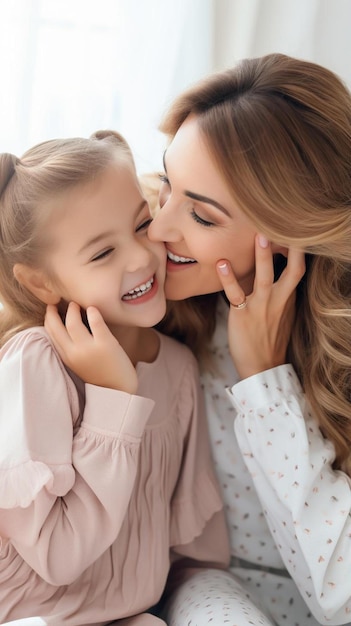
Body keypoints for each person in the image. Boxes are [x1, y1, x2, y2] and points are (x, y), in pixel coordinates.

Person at [146, 52, 351, 626]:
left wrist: (265, 381)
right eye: (166, 181)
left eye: (203, 217)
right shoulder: (139, 295)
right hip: (199, 589)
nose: (159, 229)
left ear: (290, 235)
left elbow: (342, 596)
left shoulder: (338, 345)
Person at [0, 130, 230, 625]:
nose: (141, 257)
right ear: (42, 282)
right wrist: (114, 398)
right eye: (102, 254)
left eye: (143, 225)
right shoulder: (34, 363)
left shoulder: (178, 366)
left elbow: (194, 546)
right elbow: (57, 558)